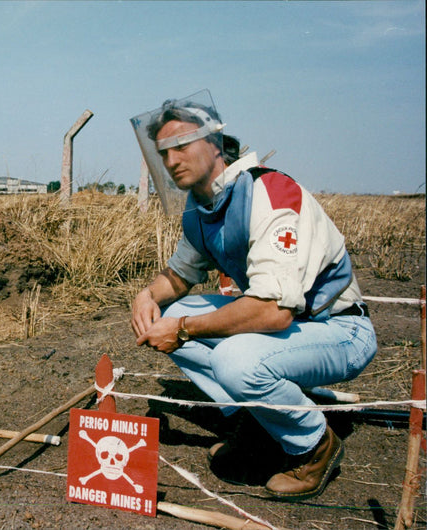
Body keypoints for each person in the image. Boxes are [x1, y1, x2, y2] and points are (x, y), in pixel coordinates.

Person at [129, 92, 377, 500]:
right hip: (298, 326)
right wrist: (147, 296)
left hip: (340, 328)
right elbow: (178, 276)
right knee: (177, 310)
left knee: (232, 358)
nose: (171, 161)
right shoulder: (204, 205)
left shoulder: (268, 194)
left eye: (181, 146)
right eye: (164, 152)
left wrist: (185, 329)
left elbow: (273, 312)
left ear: (214, 143)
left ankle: (314, 445)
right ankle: (260, 423)